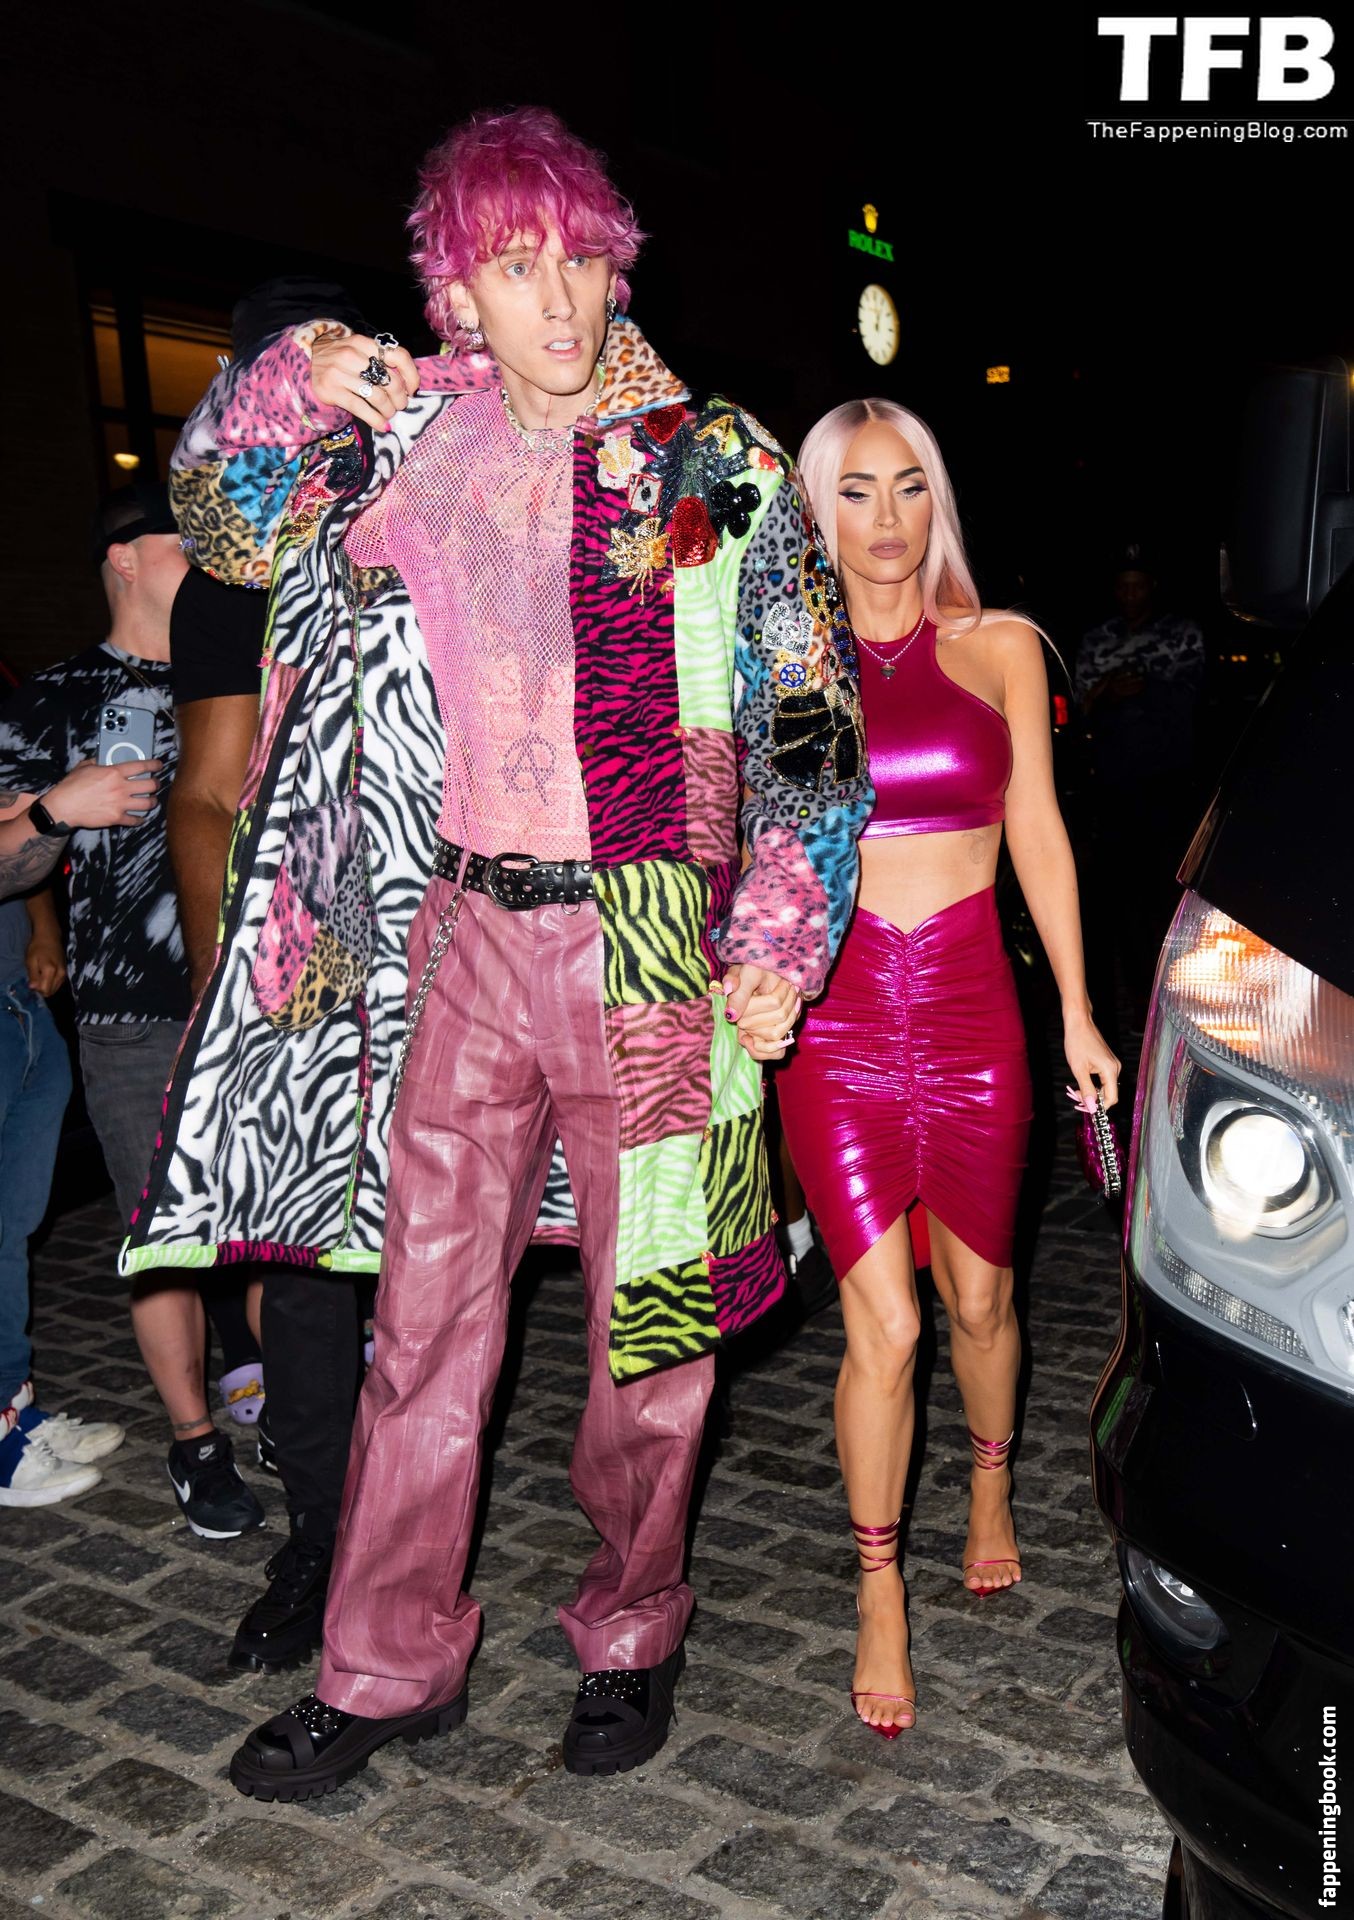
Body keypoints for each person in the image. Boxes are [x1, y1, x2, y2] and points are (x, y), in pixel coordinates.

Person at [127, 106, 869, 1797]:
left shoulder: (707, 459)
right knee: (419, 1330)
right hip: (459, 930)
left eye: (581, 260)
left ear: (618, 269)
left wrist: (780, 924)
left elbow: (810, 719)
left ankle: (630, 1625)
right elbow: (227, 527)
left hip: (654, 944)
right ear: (453, 287)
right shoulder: (412, 443)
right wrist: (289, 378)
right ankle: (384, 1664)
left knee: (652, 1334)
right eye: (515, 266)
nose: (557, 298)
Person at [778, 398, 1119, 1737]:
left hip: (976, 1011)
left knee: (980, 1302)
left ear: (939, 501)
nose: (886, 519)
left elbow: (1037, 830)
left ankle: (987, 1479)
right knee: (887, 1322)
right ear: (817, 512)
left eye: (908, 486)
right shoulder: (783, 665)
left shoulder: (1000, 647)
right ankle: (877, 1590)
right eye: (856, 492)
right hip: (838, 1022)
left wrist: (1077, 1011)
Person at [168, 276, 383, 1672]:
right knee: (305, 1275)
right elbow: (206, 792)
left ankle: (414, 1521)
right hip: (304, 936)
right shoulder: (227, 574)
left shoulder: (414, 513)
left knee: (440, 1251)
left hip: (447, 915)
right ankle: (322, 1537)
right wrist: (221, 990)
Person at [0, 486, 266, 1540]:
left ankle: (286, 1407)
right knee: (162, 1236)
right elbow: (7, 858)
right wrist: (57, 810)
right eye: (181, 539)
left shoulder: (243, 670)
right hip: (130, 1015)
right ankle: (194, 1441)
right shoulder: (58, 695)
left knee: (266, 1222)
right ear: (123, 558)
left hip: (254, 992)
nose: (206, 555)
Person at [0, 888, 126, 1506]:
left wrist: (43, 927)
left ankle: (11, 1407)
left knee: (12, 1231)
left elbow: (29, 859)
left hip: (19, 1001)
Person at [1076, 545, 1206, 1031]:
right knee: (1123, 900)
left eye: (1138, 585)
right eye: (1122, 586)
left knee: (1170, 897)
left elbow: (1197, 698)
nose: (1130, 595)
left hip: (1171, 786)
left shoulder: (1182, 633)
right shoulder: (1097, 639)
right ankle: (1139, 1003)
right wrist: (1108, 691)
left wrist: (1147, 686)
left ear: (1152, 587)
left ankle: (1182, 1003)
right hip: (1116, 790)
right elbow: (1080, 704)